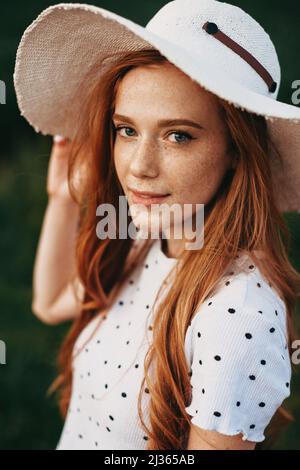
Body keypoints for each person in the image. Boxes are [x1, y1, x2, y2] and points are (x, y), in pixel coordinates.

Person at [13, 0, 300, 450]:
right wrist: (64, 198)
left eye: (178, 136)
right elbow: (50, 303)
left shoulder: (238, 313)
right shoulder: (147, 242)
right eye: (126, 130)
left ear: (236, 151)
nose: (139, 167)